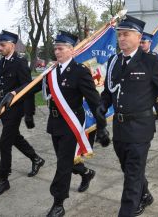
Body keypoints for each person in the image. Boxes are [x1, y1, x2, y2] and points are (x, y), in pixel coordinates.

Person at [97, 15, 158, 217]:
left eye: (126, 34)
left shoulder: (150, 62)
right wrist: (102, 105)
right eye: (119, 34)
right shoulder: (114, 61)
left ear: (138, 36)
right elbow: (109, 91)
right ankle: (146, 195)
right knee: (129, 169)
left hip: (141, 128)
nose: (121, 38)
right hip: (120, 127)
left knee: (131, 177)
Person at [26, 30, 110, 217]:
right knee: (66, 160)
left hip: (71, 123)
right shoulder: (51, 71)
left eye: (61, 48)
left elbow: (95, 100)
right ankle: (86, 172)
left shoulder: (80, 72)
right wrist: (15, 94)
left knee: (63, 164)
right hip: (55, 122)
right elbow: (32, 88)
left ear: (72, 50)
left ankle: (58, 203)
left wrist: (102, 125)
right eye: (55, 48)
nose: (57, 52)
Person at [0, 30, 45, 198]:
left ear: (12, 45)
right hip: (3, 110)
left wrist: (29, 113)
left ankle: (4, 180)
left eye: (2, 45)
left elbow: (29, 87)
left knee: (4, 142)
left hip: (16, 109)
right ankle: (36, 159)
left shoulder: (20, 62)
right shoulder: (1, 63)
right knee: (14, 138)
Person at [140, 32, 158, 120]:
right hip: (140, 92)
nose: (141, 45)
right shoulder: (136, 57)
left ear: (149, 43)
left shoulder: (155, 57)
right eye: (140, 43)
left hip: (153, 91)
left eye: (143, 42)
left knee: (153, 116)